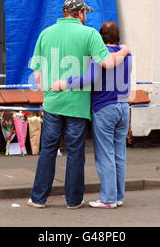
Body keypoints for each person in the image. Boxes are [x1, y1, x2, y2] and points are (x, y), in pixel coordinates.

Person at [28, 0, 130, 209]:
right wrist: (124, 51)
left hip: (53, 103)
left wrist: (47, 90)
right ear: (80, 13)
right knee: (75, 152)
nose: (87, 17)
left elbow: (37, 75)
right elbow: (107, 63)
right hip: (78, 106)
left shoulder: (45, 34)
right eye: (85, 13)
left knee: (48, 150)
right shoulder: (90, 34)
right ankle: (73, 200)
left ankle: (38, 198)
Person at [50, 21, 132, 209]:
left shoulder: (99, 55)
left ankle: (108, 199)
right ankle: (118, 196)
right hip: (123, 106)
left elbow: (89, 79)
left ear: (100, 38)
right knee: (119, 153)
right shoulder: (127, 54)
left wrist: (65, 82)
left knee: (105, 155)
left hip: (104, 107)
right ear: (117, 36)